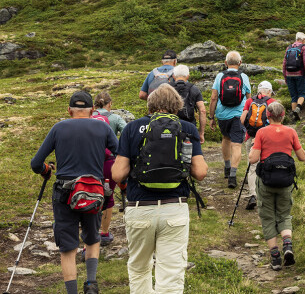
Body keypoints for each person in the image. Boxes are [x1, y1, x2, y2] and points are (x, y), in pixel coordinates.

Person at [112, 84, 207, 294]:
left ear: (150, 105)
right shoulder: (187, 129)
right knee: (171, 274)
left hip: (139, 208)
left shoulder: (132, 128)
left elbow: (118, 174)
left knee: (139, 269)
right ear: (177, 105)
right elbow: (200, 173)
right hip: (175, 209)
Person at [30, 90, 118, 294]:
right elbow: (120, 151)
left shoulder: (58, 128)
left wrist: (46, 170)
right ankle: (91, 284)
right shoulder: (102, 127)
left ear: (69, 110)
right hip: (94, 191)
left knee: (68, 246)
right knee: (92, 237)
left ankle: (72, 292)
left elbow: (36, 163)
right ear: (92, 110)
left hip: (64, 193)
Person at [248, 101, 305, 271]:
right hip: (285, 181)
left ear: (267, 115)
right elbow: (302, 157)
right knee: (284, 214)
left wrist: (254, 150)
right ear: (283, 115)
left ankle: (275, 258)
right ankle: (287, 245)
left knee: (267, 216)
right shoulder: (291, 132)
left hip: (266, 181)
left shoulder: (261, 132)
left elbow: (253, 159)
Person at [208, 51, 252, 189]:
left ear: (226, 63)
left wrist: (211, 117)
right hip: (239, 115)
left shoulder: (220, 76)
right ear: (240, 63)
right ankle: (233, 176)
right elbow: (249, 98)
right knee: (237, 144)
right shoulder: (243, 76)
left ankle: (227, 168)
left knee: (226, 139)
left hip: (222, 115)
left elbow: (214, 97)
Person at [92, 91, 126, 246]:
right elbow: (126, 133)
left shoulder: (88, 118)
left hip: (91, 160)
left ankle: (89, 230)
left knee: (88, 191)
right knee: (108, 195)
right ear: (110, 104)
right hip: (109, 161)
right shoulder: (116, 118)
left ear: (94, 105)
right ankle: (104, 233)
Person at [241, 81, 277, 211]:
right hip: (267, 137)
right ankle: (267, 195)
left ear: (259, 90)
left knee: (252, 166)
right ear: (269, 91)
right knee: (268, 164)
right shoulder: (273, 102)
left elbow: (242, 118)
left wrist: (249, 131)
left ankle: (252, 195)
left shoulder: (250, 100)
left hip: (251, 137)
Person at [280, 33, 305, 122]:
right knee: (302, 94)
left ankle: (295, 118)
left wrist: (285, 76)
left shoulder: (289, 47)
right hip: (299, 74)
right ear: (304, 39)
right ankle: (298, 108)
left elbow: (284, 63)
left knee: (294, 96)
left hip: (289, 74)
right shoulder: (304, 47)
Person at [170, 64, 206, 139]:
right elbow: (202, 111)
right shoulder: (194, 89)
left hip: (170, 125)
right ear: (188, 76)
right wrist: (201, 133)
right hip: (189, 126)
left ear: (173, 76)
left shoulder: (167, 88)